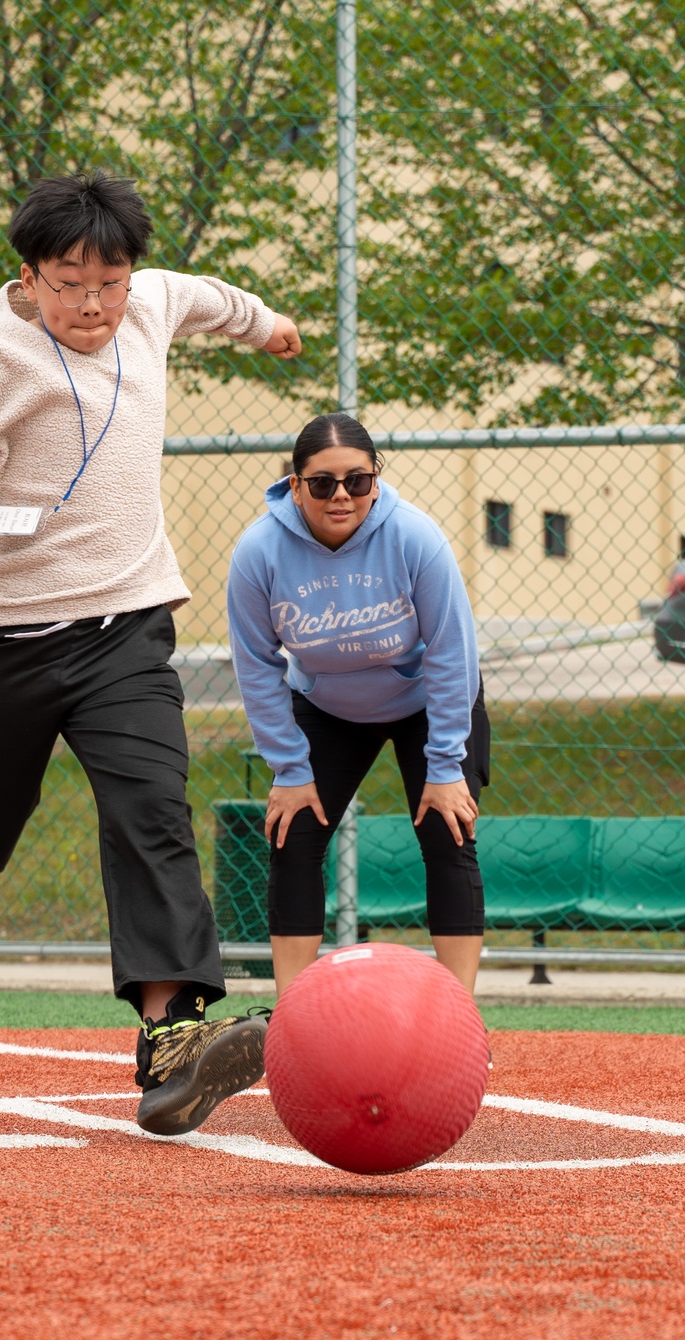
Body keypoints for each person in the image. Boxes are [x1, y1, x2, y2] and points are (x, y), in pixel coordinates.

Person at [0, 170, 302, 1134]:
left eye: (109, 282)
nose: (91, 306)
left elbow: (211, 299)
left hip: (126, 627)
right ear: (29, 273)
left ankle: (173, 1038)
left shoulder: (150, 305)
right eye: (68, 283)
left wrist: (268, 325)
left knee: (152, 811)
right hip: (0, 638)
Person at [226, 413, 488, 998]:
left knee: (449, 832)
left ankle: (460, 1016)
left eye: (357, 480)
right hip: (330, 704)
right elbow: (257, 665)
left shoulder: (414, 537)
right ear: (295, 485)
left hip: (428, 701)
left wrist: (445, 765)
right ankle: (291, 1013)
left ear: (375, 479)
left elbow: (452, 654)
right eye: (322, 483)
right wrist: (289, 770)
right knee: (292, 834)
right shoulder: (259, 552)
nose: (341, 495)